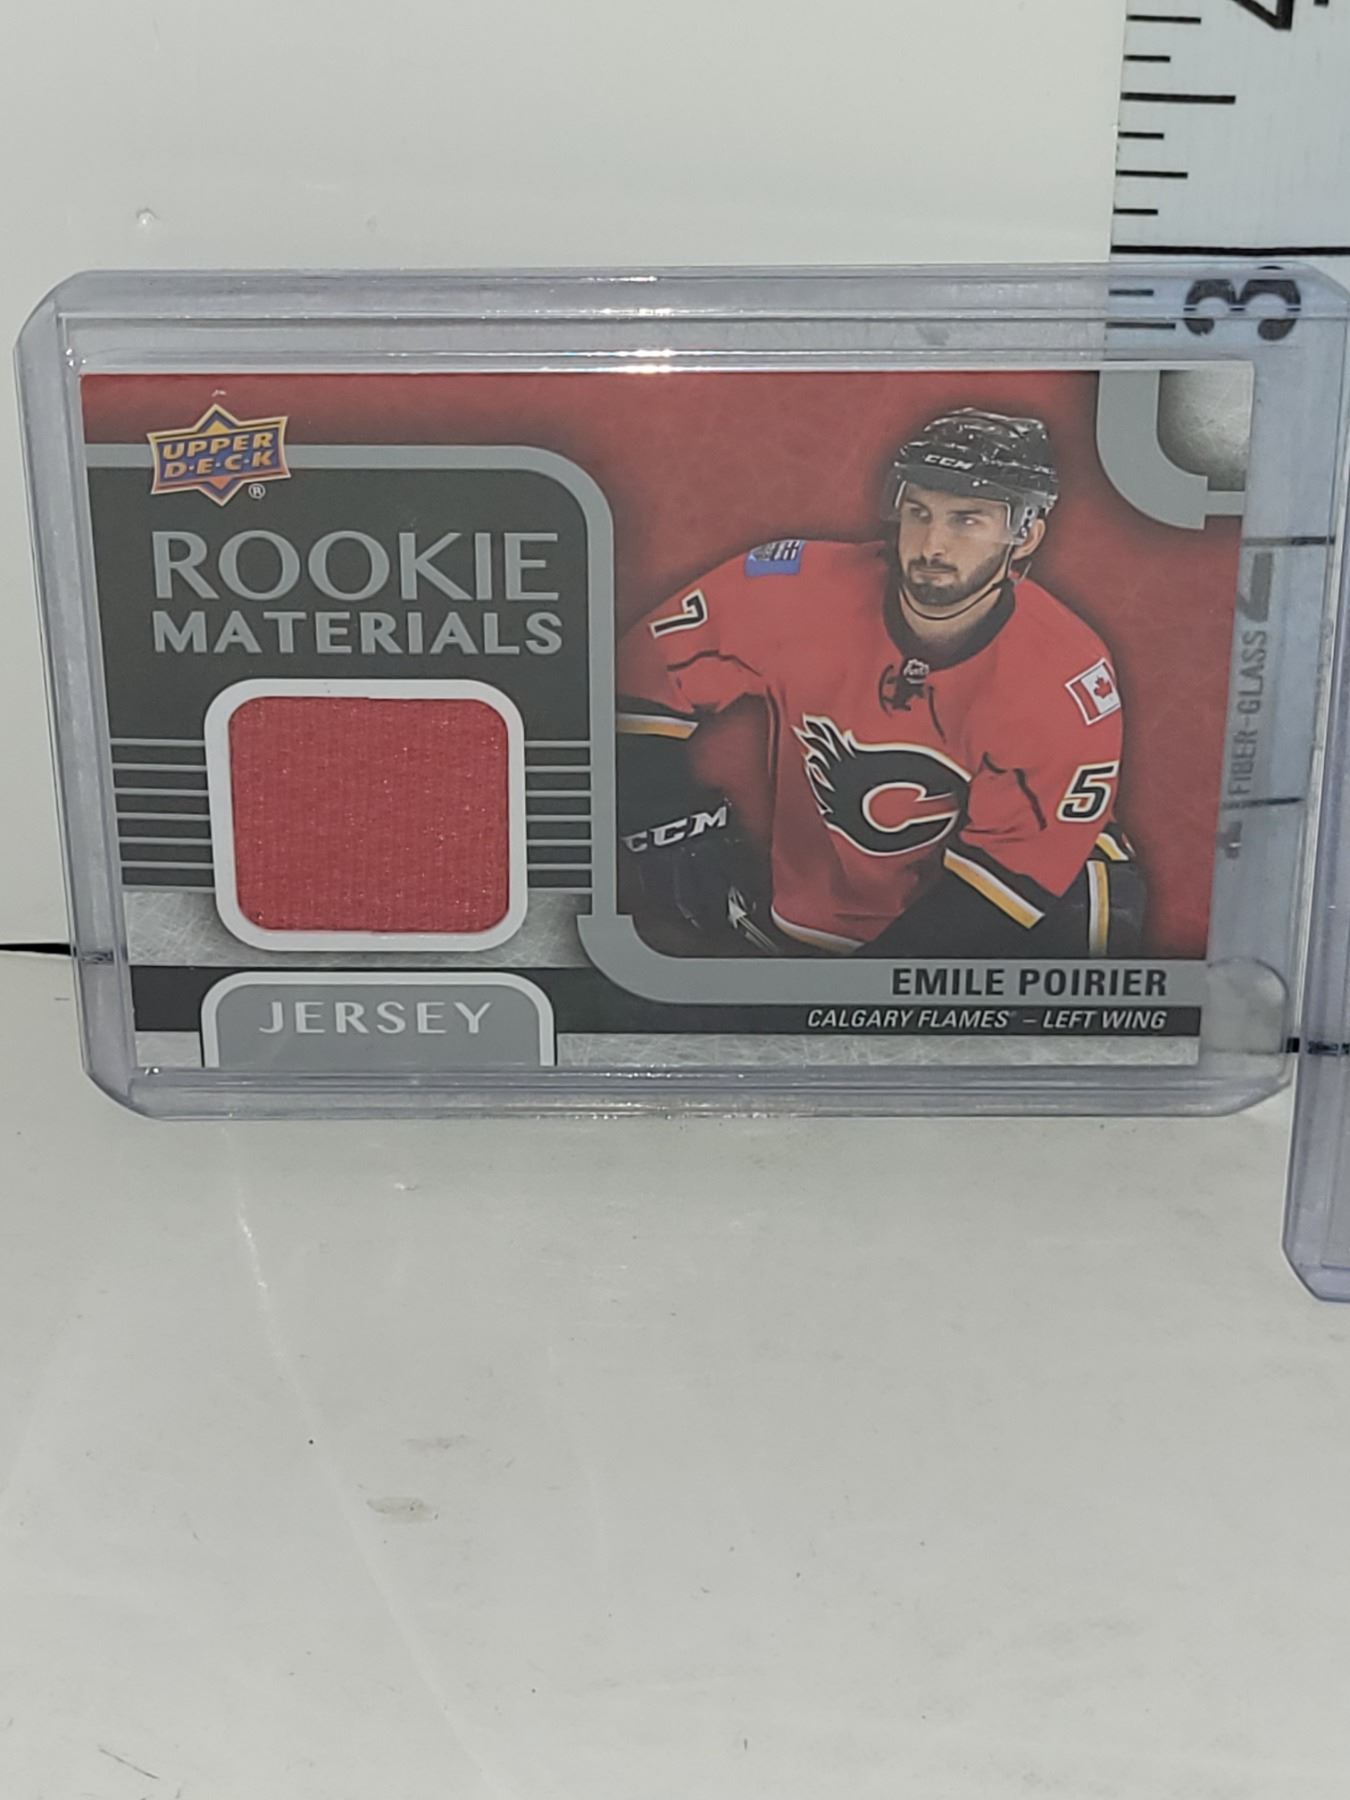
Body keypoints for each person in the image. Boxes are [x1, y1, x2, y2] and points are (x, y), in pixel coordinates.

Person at [616, 409, 1144, 958]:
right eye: (919, 513)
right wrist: (664, 817)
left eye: (967, 520)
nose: (933, 545)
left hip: (1007, 916)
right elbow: (633, 677)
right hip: (820, 909)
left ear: (1025, 534)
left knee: (1083, 904)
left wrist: (870, 993)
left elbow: (1011, 880)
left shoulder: (1064, 677)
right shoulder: (796, 590)